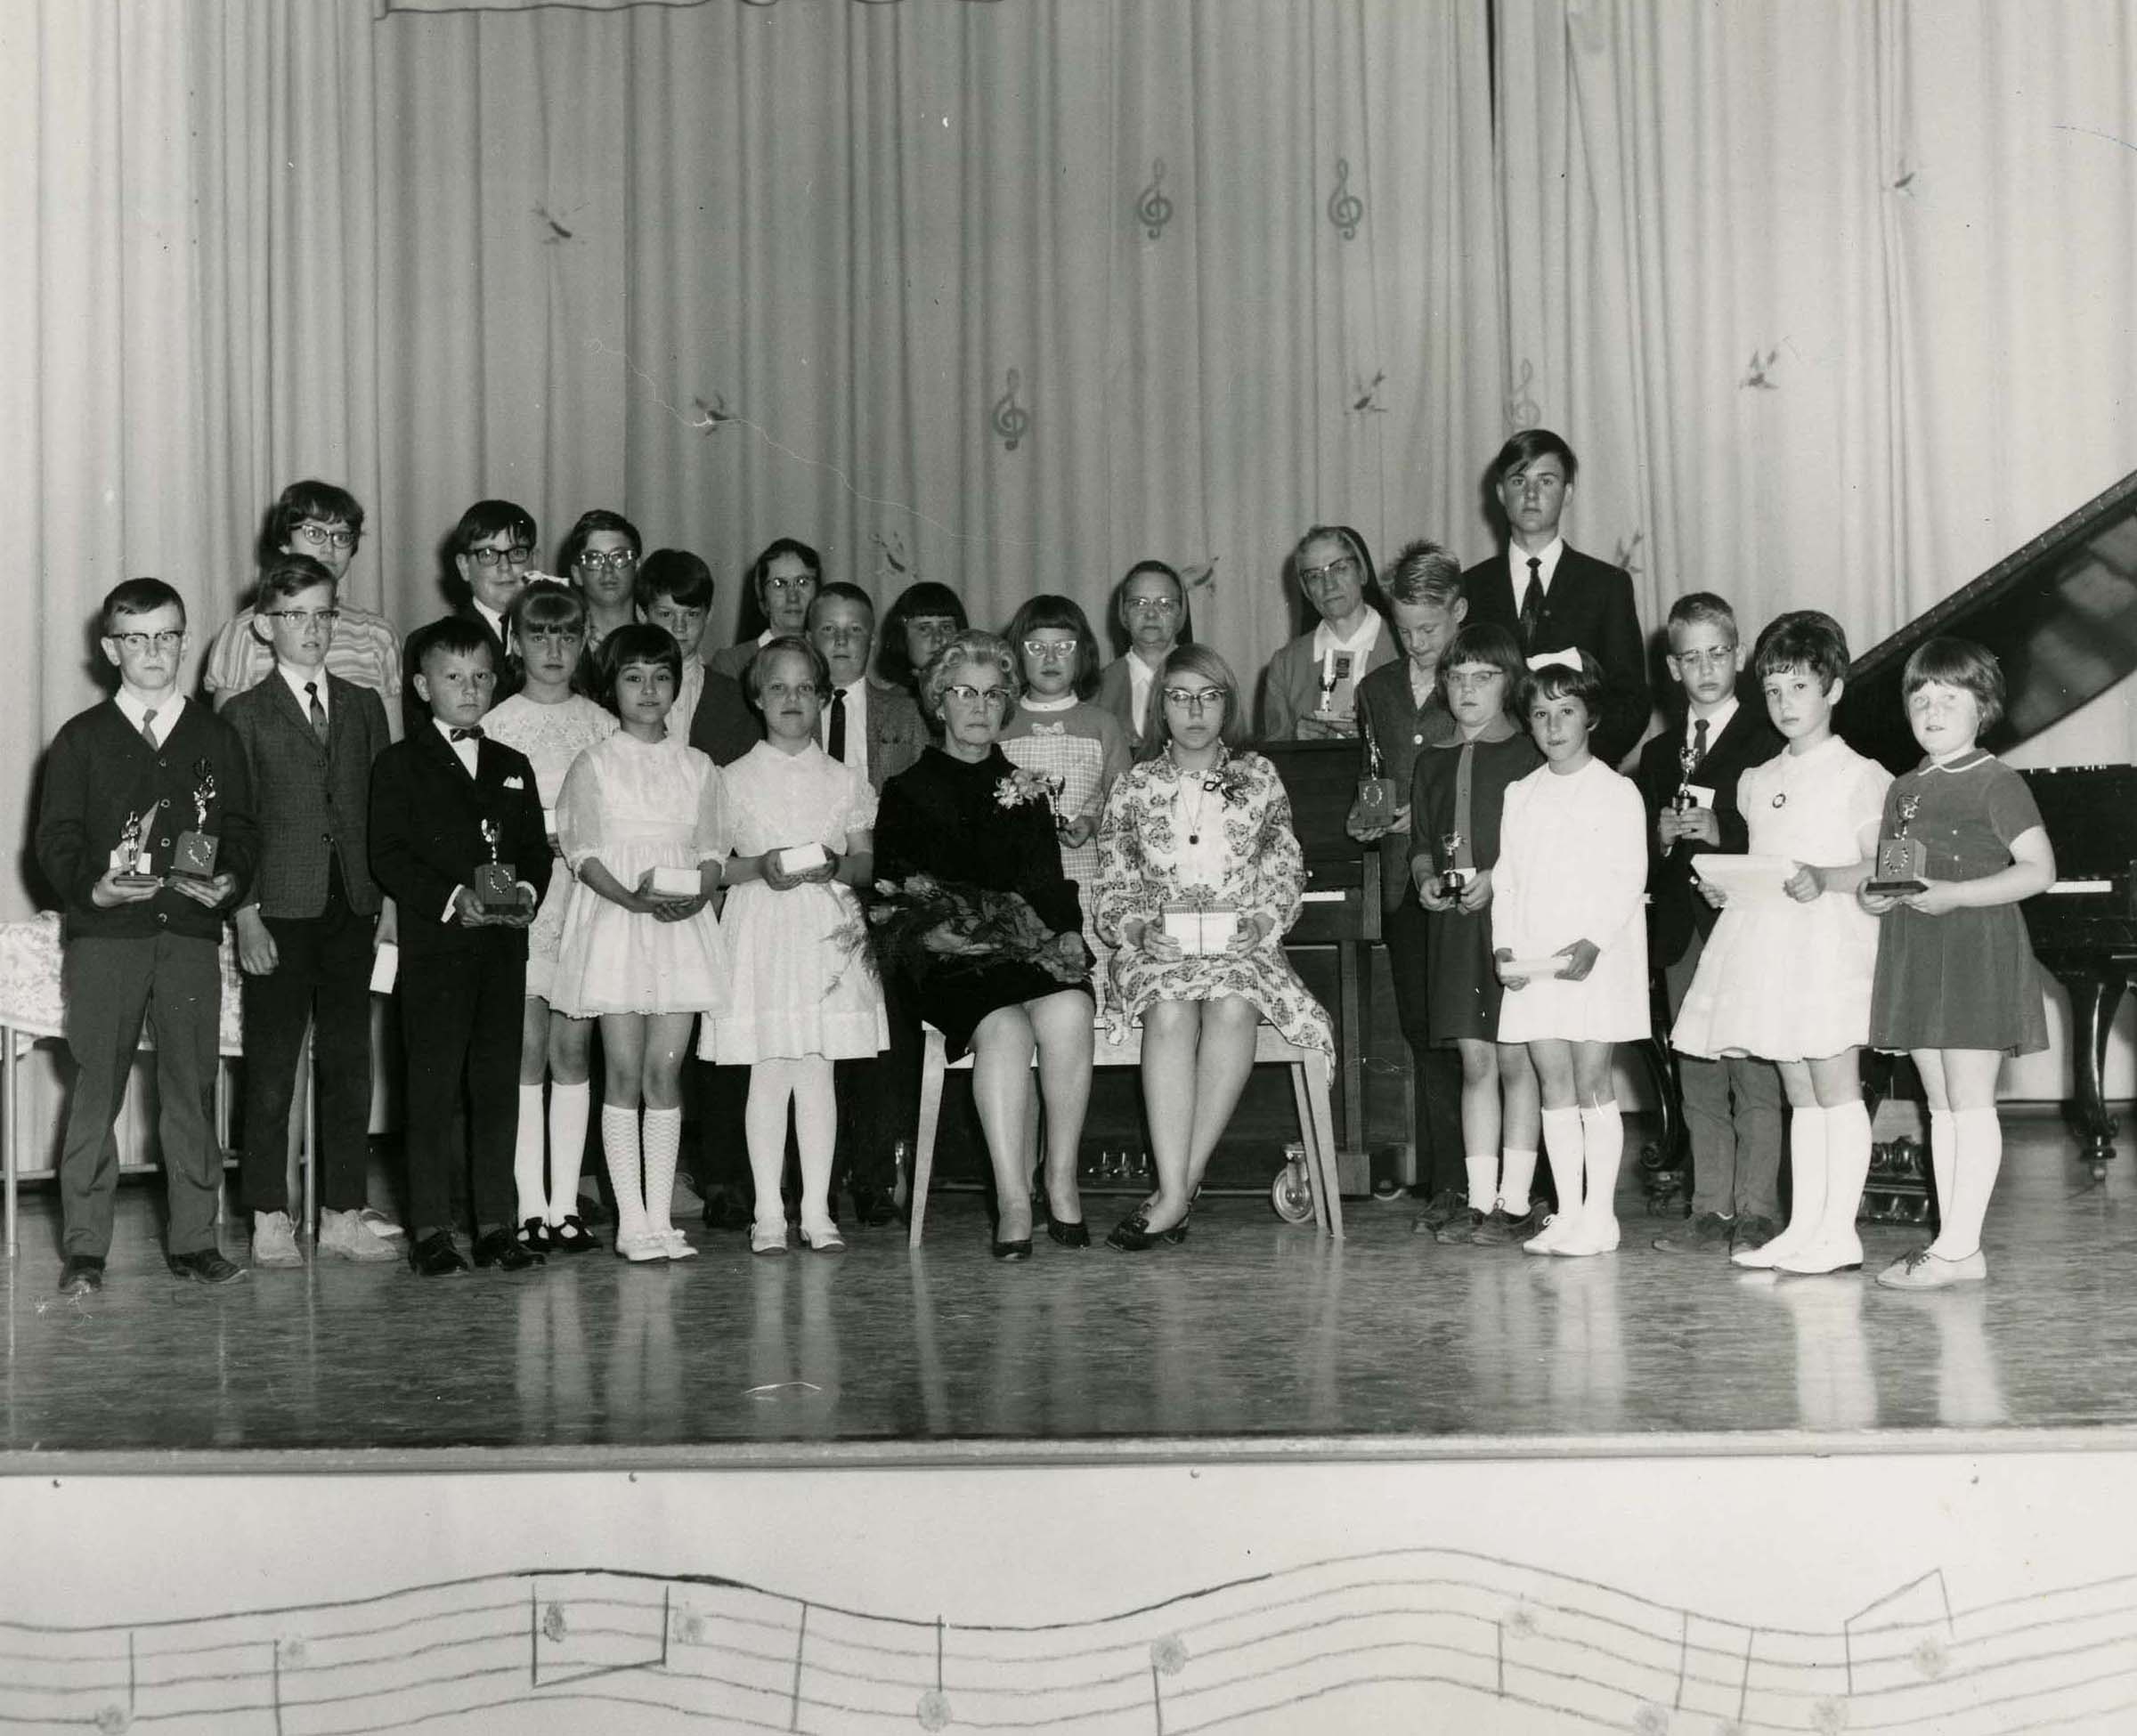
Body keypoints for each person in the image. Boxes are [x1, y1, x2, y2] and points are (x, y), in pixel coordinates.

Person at [35, 579, 257, 1294]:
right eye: (137, 637)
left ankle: (195, 1241)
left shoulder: (217, 736)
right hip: (106, 939)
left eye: (166, 635)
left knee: (191, 1088)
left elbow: (245, 833)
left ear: (186, 641)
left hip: (189, 935)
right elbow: (56, 839)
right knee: (95, 1089)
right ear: (111, 649)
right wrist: (89, 889)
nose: (154, 650)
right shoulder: (81, 739)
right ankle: (85, 1250)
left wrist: (229, 882)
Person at [1671, 611, 1890, 1276]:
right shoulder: (1756, 780)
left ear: (1834, 690)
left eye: (1800, 687)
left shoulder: (1862, 774)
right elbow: (1761, 865)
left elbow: (1882, 870)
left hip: (1829, 943)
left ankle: (1839, 1232)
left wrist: (1824, 878)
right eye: (1773, 690)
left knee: (1834, 1084)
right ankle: (1805, 1228)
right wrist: (1727, 888)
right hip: (1768, 947)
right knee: (1797, 1086)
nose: (1785, 703)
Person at [1097, 645, 1334, 1250]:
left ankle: (1176, 1189)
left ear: (1227, 703)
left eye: (1209, 695)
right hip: (1160, 948)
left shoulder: (1258, 778)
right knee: (1172, 1012)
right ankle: (1179, 1190)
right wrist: (1135, 931)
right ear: (1161, 707)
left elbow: (1285, 865)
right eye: (1179, 696)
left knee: (1232, 1005)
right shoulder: (1135, 786)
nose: (1195, 710)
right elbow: (1114, 882)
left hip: (1239, 945)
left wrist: (1260, 921)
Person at [875, 629, 1093, 1257]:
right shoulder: (908, 791)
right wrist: (933, 932)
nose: (978, 705)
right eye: (963, 692)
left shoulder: (1026, 788)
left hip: (1024, 949)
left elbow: (1049, 887)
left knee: (1072, 1008)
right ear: (937, 702)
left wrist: (1067, 933)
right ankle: (1011, 1198)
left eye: (993, 693)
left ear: (1007, 704)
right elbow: (892, 899)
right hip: (953, 962)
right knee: (1005, 1030)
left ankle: (1060, 1177)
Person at [1863, 637, 2055, 1290]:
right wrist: (1875, 895)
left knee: (1969, 1102)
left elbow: (2038, 869)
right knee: (1940, 1104)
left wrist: (1955, 897)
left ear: (1984, 707)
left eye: (1951, 697)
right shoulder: (1904, 787)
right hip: (1918, 952)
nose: (1933, 709)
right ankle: (1953, 1247)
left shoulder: (1997, 781)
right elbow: (1894, 872)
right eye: (1922, 698)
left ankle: (1958, 1249)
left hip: (1974, 945)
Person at [223, 555, 397, 1268]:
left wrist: (385, 904)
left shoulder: (362, 705)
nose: (313, 630)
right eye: (296, 616)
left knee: (351, 1064)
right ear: (266, 627)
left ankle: (343, 1212)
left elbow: (382, 815)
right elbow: (230, 825)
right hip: (279, 912)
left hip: (353, 906)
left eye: (325, 614)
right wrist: (246, 913)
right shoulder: (242, 715)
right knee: (270, 1069)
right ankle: (269, 1212)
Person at [369, 617, 548, 1276]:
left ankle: (497, 1223)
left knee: (497, 1085)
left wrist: (526, 890)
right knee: (432, 1090)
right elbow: (387, 854)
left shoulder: (512, 766)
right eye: (453, 677)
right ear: (422, 686)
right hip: (437, 952)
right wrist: (452, 898)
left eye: (480, 677)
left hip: (501, 951)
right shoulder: (398, 765)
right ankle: (430, 1228)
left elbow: (532, 850)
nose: (469, 689)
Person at [703, 637, 889, 1254]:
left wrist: (836, 864)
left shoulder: (843, 780)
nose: (792, 699)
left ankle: (814, 1207)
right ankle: (766, 1211)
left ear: (823, 698)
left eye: (805, 688)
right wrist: (759, 865)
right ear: (757, 698)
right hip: (761, 932)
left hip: (826, 934)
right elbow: (714, 868)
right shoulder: (729, 779)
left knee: (818, 1070)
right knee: (768, 1070)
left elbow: (866, 864)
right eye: (778, 687)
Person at [550, 624, 728, 1261]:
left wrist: (696, 893)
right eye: (634, 677)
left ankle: (660, 1217)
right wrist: (631, 900)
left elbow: (711, 850)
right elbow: (584, 851)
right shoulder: (595, 763)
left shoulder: (698, 766)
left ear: (676, 688)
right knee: (622, 1072)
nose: (649, 690)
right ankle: (631, 1222)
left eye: (660, 677)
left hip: (679, 931)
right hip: (618, 925)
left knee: (664, 1072)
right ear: (613, 687)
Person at [1635, 594, 1787, 1256]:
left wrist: (1726, 829)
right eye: (1690, 658)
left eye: (1717, 654)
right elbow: (1639, 850)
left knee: (1753, 1069)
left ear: (1741, 656)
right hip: (1682, 929)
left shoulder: (1768, 736)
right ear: (1672, 667)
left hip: (1744, 923)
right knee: (1697, 1069)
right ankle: (1708, 1211)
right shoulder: (1660, 752)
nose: (1705, 669)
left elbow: (1786, 829)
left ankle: (1757, 1209)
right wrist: (1661, 839)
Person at [1491, 649, 1649, 1257]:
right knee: (1551, 1082)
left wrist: (1592, 943)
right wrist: (1505, 946)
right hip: (1536, 957)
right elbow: (1507, 879)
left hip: (1594, 959)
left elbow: (1627, 877)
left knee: (1591, 1080)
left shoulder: (1615, 792)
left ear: (1590, 718)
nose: (1553, 726)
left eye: (1566, 711)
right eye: (1540, 713)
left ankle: (1602, 1215)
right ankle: (1572, 1210)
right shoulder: (1520, 793)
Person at [478, 581, 617, 1253]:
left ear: (585, 638)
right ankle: (528, 1203)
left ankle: (566, 1203)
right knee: (525, 1050)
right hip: (526, 904)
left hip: (586, 902)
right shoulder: (497, 723)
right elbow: (483, 828)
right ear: (515, 642)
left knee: (572, 1051)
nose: (554, 649)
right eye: (540, 635)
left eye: (567, 635)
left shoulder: (602, 724)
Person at [1404, 622, 1545, 1245]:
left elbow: (1541, 847)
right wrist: (1428, 877)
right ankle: (1480, 1198)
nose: (1467, 689)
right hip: (1456, 931)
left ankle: (1517, 1199)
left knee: (1515, 1057)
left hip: (1512, 922)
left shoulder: (1530, 756)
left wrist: (1498, 877)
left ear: (1508, 684)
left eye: (1483, 678)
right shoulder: (1429, 762)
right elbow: (1419, 843)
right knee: (1474, 1059)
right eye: (1456, 678)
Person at [1347, 539, 1467, 1227]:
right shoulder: (1376, 690)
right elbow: (1372, 776)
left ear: (1459, 612)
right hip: (1400, 882)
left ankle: (1477, 1178)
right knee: (1422, 1032)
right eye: (1404, 630)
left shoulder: (1483, 678)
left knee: (1467, 1034)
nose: (1418, 643)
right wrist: (1366, 818)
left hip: (1461, 879)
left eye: (1431, 628)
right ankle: (1442, 1179)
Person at [808, 580, 928, 1228]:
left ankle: (877, 1176)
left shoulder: (904, 713)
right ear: (810, 638)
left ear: (874, 640)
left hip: (882, 892)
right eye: (829, 630)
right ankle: (816, 1179)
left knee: (883, 1040)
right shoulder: (787, 707)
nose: (843, 642)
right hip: (798, 892)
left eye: (855, 630)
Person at [1461, 430, 1649, 767]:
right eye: (1519, 480)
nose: (1531, 493)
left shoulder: (1606, 585)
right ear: (1501, 493)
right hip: (1490, 774)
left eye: (1546, 481)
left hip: (1581, 777)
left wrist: (1583, 763)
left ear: (1568, 493)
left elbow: (1630, 700)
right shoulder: (1471, 586)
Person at [999, 594, 1131, 1001]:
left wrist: (1092, 824)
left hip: (1085, 874)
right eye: (1036, 647)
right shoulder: (1001, 722)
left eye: (1064, 647)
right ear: (1017, 656)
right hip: (1019, 880)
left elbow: (1128, 812)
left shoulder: (1102, 725)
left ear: (1083, 655)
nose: (1051, 657)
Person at [204, 480, 403, 733]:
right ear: (285, 542)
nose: (329, 548)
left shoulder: (377, 634)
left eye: (342, 536)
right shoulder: (243, 633)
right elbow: (229, 745)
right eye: (314, 533)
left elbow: (392, 749)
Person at [1261, 524, 1397, 741]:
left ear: (1362, 572)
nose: (1328, 585)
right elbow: (1271, 759)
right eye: (1314, 576)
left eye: (1340, 568)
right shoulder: (1286, 665)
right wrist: (1294, 740)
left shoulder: (1404, 644)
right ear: (1306, 590)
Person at [438, 500, 539, 718]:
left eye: (517, 552)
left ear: (533, 560)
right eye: (487, 555)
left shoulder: (560, 634)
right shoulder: (431, 642)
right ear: (464, 566)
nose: (505, 567)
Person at [1095, 560, 1193, 759]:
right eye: (1138, 603)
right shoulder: (1098, 687)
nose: (1150, 614)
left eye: (1165, 604)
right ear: (1123, 613)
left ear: (1181, 614)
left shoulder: (1208, 678)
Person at [711, 538, 820, 682]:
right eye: (779, 584)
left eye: (802, 582)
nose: (793, 597)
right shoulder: (732, 664)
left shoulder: (828, 656)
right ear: (763, 597)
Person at [637, 548, 712, 739]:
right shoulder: (620, 690)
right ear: (642, 614)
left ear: (708, 616)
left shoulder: (732, 696)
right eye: (666, 614)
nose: (680, 627)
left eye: (692, 614)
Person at [875, 580, 968, 717]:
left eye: (946, 627)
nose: (938, 638)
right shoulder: (887, 708)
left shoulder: (976, 697)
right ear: (902, 636)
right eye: (924, 628)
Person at [559, 509, 642, 653]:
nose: (608, 569)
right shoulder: (562, 649)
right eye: (594, 559)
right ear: (577, 573)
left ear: (637, 566)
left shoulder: (661, 642)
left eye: (619, 556)